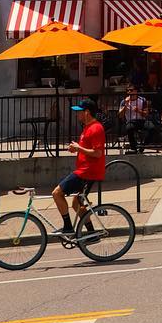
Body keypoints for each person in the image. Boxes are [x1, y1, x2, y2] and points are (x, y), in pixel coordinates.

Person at [51, 99, 107, 237]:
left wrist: (79, 148)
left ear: (87, 112)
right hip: (85, 171)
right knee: (77, 203)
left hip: (87, 172)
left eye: (79, 112)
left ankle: (68, 227)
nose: (77, 114)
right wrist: (76, 148)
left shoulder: (96, 128)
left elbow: (98, 153)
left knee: (57, 193)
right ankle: (91, 233)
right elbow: (87, 149)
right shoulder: (87, 128)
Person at [118, 85, 153, 153]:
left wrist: (139, 111)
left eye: (131, 90)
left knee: (152, 128)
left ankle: (143, 146)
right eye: (127, 90)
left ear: (136, 91)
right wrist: (125, 105)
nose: (129, 92)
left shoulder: (142, 100)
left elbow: (146, 114)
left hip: (141, 121)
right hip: (131, 121)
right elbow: (120, 115)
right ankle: (133, 148)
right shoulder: (124, 101)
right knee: (129, 128)